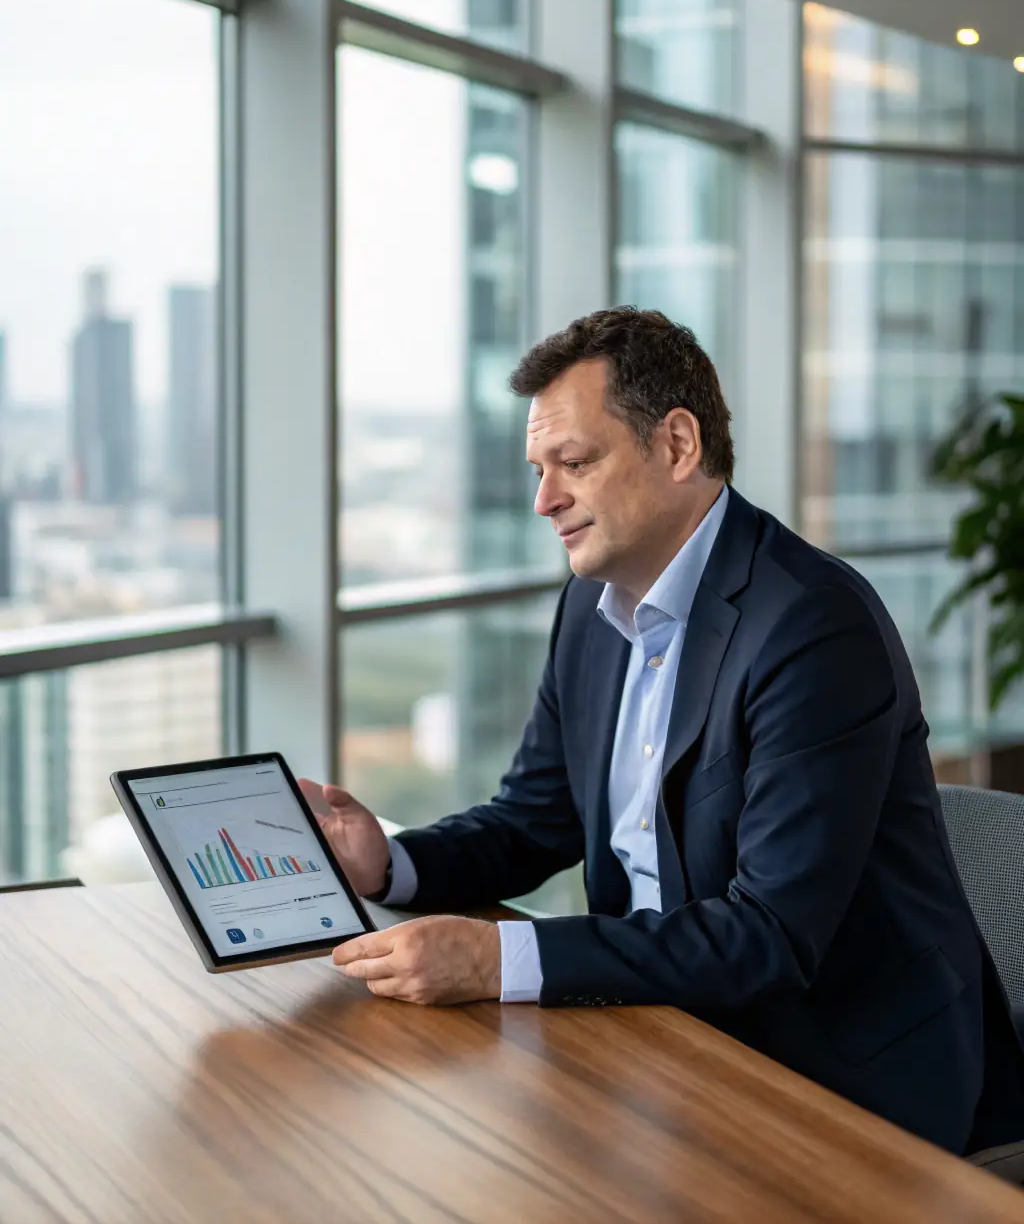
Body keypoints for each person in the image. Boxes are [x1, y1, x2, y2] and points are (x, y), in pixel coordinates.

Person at [301, 306, 1024, 1155]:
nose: (544, 500)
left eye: (573, 462)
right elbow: (537, 816)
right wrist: (388, 859)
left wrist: (499, 958)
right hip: (663, 1037)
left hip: (836, 1077)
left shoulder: (812, 628)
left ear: (678, 445)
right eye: (539, 469)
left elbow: (769, 936)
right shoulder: (591, 604)